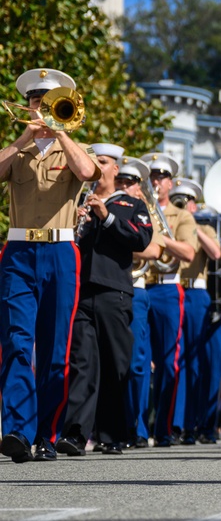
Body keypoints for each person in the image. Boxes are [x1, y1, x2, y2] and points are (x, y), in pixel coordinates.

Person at [0, 68, 102, 464]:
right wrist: (25, 136)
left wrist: (60, 131)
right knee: (17, 344)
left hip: (61, 253)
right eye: (35, 103)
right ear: (26, 106)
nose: (40, 109)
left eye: (48, 103)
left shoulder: (74, 147)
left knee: (56, 351)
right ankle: (18, 432)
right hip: (19, 252)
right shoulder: (17, 149)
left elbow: (87, 172)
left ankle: (47, 433)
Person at [57, 143, 153, 456]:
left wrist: (107, 216)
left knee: (116, 363)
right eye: (93, 161)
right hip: (82, 290)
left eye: (103, 162)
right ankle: (75, 433)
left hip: (115, 290)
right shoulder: (77, 200)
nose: (96, 166)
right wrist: (76, 220)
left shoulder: (131, 203)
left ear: (116, 169)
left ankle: (113, 433)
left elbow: (141, 239)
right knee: (83, 363)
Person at [139, 153, 198, 447]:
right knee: (136, 360)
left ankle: (163, 429)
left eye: (161, 177)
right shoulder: (139, 207)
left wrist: (160, 241)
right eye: (151, 177)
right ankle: (135, 430)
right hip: (138, 284)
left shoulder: (181, 215)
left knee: (168, 362)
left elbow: (188, 253)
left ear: (170, 182)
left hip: (166, 288)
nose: (155, 182)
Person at [170, 178, 221, 444]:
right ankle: (171, 422)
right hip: (169, 289)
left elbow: (216, 253)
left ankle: (190, 422)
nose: (181, 205)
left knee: (192, 363)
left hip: (194, 294)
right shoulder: (169, 222)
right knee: (172, 360)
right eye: (176, 200)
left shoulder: (203, 227)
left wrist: (193, 226)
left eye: (186, 201)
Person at [114, 156, 164, 448]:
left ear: (138, 188)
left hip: (135, 287)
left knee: (136, 363)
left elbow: (154, 249)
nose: (124, 186)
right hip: (106, 286)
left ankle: (138, 427)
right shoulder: (104, 204)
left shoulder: (143, 210)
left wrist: (119, 239)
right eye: (120, 180)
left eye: (130, 182)